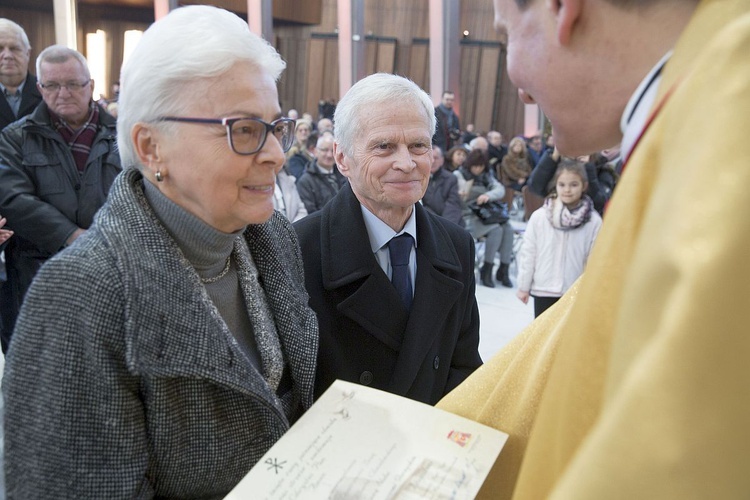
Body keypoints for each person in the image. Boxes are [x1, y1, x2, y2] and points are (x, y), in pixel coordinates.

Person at [437, 0, 750, 497]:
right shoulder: (698, 110)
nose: (515, 82)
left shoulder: (730, 124)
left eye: (504, 38)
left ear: (562, 8)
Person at [2, 6, 318, 497]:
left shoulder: (272, 239)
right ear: (150, 148)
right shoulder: (78, 297)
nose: (276, 154)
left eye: (276, 128)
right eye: (244, 130)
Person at [294, 73, 482, 405]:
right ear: (342, 158)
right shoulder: (297, 249)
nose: (407, 163)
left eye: (418, 145)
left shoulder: (457, 246)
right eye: (384, 146)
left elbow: (464, 369)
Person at [0, 44, 121, 353]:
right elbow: (13, 198)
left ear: (90, 85)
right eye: (52, 85)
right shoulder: (15, 138)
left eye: (72, 84)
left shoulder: (123, 135)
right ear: (40, 88)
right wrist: (71, 236)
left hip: (113, 269)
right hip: (37, 272)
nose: (62, 93)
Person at [516, 160, 601, 317]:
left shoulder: (593, 221)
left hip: (573, 291)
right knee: (542, 338)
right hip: (544, 288)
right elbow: (529, 252)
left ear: (584, 185)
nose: (567, 190)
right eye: (562, 184)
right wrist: (523, 286)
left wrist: (591, 291)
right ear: (555, 185)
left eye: (573, 185)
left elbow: (594, 258)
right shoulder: (540, 216)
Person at [454, 149, 514, 288]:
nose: (478, 169)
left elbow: (500, 190)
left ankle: (503, 269)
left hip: (486, 214)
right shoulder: (459, 175)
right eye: (475, 165)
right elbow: (457, 198)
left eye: (481, 166)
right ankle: (487, 268)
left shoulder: (487, 176)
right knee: (497, 230)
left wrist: (488, 196)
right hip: (468, 216)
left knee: (508, 228)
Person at [0, 19, 41, 130]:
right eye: (0, 49)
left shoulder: (47, 92)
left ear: (28, 53)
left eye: (14, 49)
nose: (7, 55)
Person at [295, 132, 345, 214]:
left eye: (332, 151)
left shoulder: (344, 175)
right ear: (315, 152)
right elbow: (310, 214)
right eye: (324, 150)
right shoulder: (306, 181)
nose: (329, 155)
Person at [421, 145, 463, 226]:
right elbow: (422, 206)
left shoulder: (451, 178)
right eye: (430, 157)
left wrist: (446, 227)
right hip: (429, 223)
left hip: (450, 223)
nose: (433, 161)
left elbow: (453, 205)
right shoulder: (418, 179)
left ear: (442, 160)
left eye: (436, 158)